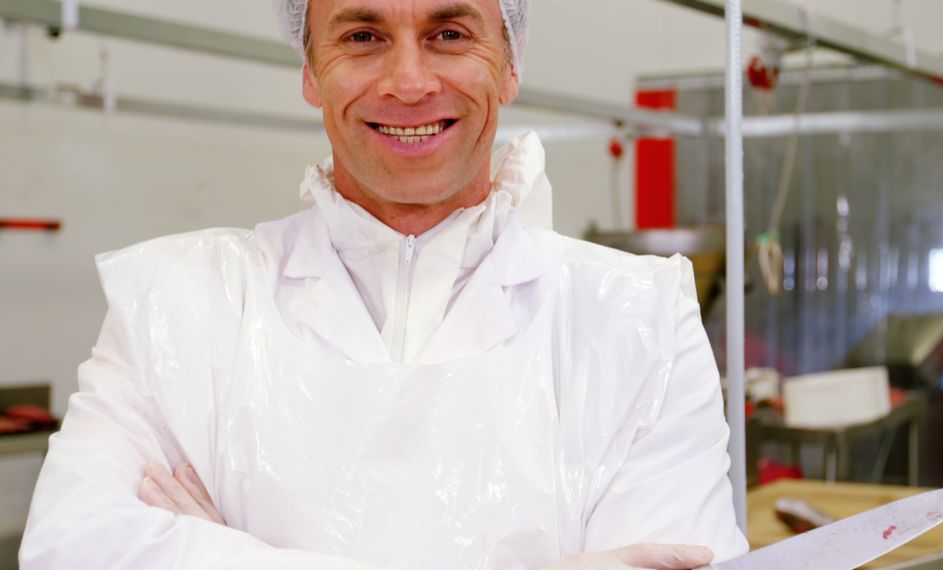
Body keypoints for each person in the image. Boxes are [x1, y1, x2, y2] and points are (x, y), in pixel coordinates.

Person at [19, 0, 748, 568]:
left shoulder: (637, 321)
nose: (408, 81)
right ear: (310, 70)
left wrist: (230, 553)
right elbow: (71, 548)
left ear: (512, 62)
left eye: (450, 33)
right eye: (363, 35)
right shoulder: (175, 306)